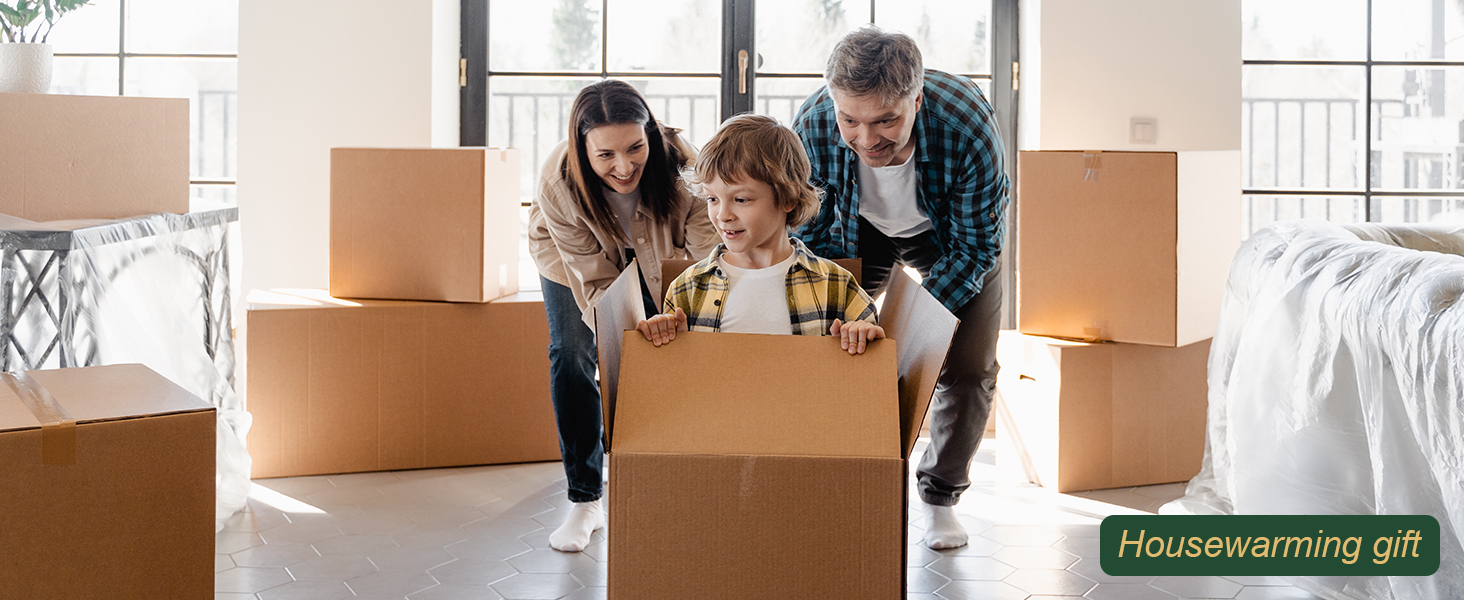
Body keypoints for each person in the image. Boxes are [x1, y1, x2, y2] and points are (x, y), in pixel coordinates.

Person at [792, 26, 1010, 549]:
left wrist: (909, 334)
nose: (867, 140)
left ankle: (940, 497)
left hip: (950, 236)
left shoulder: (967, 124)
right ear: (833, 103)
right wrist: (842, 314)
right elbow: (809, 233)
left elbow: (977, 247)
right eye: (851, 120)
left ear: (916, 98)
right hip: (856, 229)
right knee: (828, 346)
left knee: (967, 365)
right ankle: (842, 482)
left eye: (886, 119)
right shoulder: (813, 123)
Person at [528, 79, 718, 552]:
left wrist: (671, 319)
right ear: (582, 148)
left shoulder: (687, 170)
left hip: (665, 255)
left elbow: (703, 264)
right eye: (606, 155)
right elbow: (594, 281)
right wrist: (628, 329)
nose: (625, 166)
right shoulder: (558, 181)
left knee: (672, 347)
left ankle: (673, 473)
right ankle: (586, 497)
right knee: (572, 352)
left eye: (635, 148)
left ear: (650, 133)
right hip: (573, 259)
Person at [637, 114, 883, 354]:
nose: (723, 215)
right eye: (712, 198)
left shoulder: (836, 284)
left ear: (788, 198)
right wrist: (664, 339)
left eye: (741, 199)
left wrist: (862, 332)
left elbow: (871, 352)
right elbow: (675, 379)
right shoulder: (687, 288)